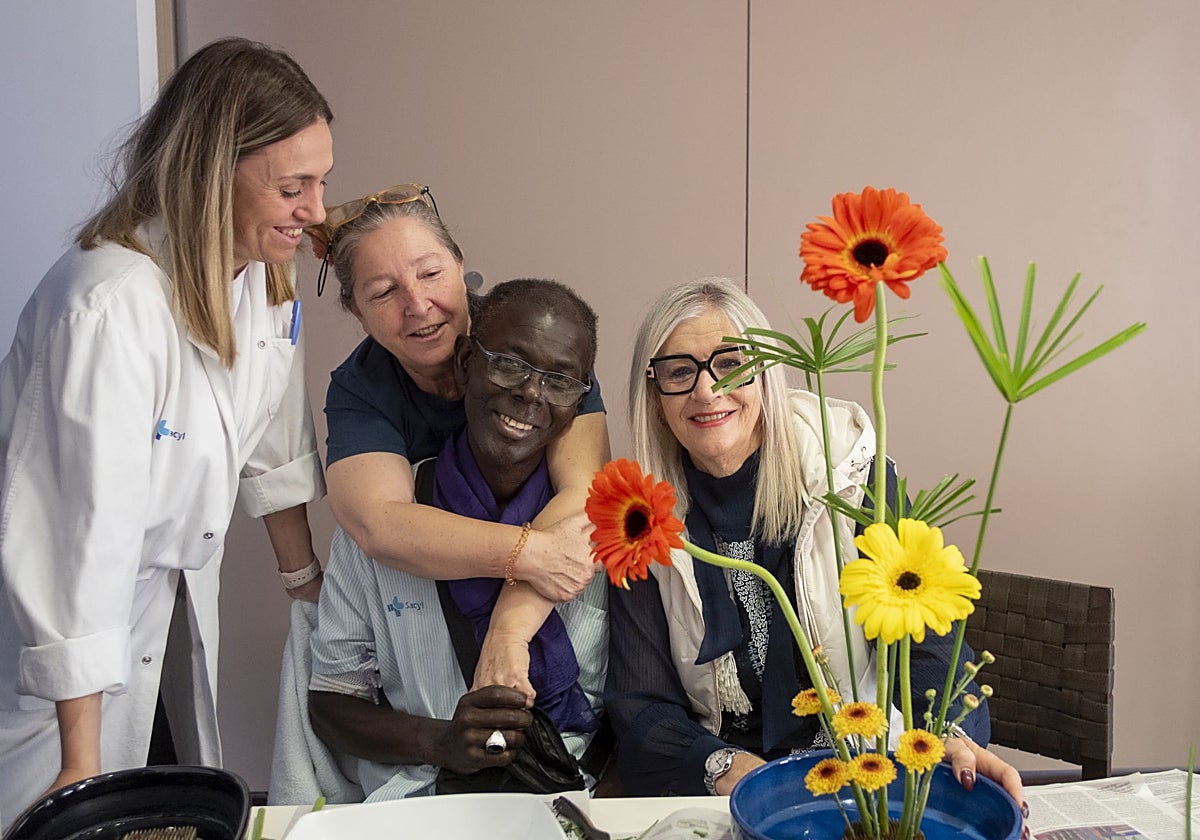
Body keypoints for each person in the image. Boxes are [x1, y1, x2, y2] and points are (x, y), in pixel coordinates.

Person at [0, 37, 331, 826]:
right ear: (215, 173)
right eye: (294, 186)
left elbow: (270, 445)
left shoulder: (261, 281)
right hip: (67, 647)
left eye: (321, 181)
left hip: (169, 608)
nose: (317, 210)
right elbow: (79, 538)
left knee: (172, 791)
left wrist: (307, 595)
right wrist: (81, 770)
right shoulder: (107, 307)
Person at [605, 278, 1025, 808]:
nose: (707, 391)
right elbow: (641, 708)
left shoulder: (849, 471)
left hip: (862, 767)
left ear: (767, 372)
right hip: (727, 781)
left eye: (731, 362)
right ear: (653, 390)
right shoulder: (636, 516)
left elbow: (927, 638)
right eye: (679, 371)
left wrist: (944, 735)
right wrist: (735, 773)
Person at [307, 279, 607, 800]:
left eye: (560, 381)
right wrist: (440, 741)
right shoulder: (387, 523)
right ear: (467, 360)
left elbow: (645, 699)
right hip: (422, 799)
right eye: (511, 364)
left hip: (582, 793)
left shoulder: (610, 529)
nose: (531, 393)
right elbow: (331, 703)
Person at [306, 189, 608, 699]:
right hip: (423, 617)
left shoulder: (538, 335)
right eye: (383, 292)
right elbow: (379, 523)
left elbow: (584, 498)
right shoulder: (361, 388)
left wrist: (509, 632)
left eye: (430, 274)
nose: (418, 305)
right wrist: (528, 554)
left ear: (460, 263)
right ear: (355, 309)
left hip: (550, 604)